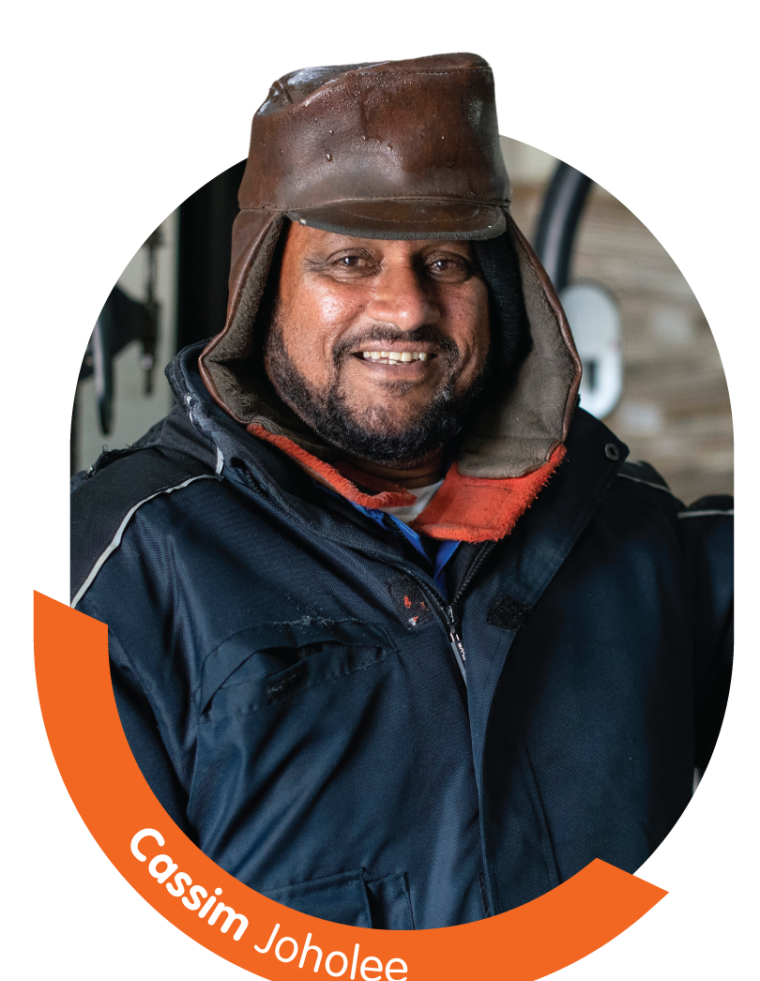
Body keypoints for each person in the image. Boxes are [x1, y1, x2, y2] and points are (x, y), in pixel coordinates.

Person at [68, 53, 734, 930]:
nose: (407, 308)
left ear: (500, 290)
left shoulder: (633, 531)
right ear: (261, 287)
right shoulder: (111, 571)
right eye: (350, 260)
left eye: (447, 262)